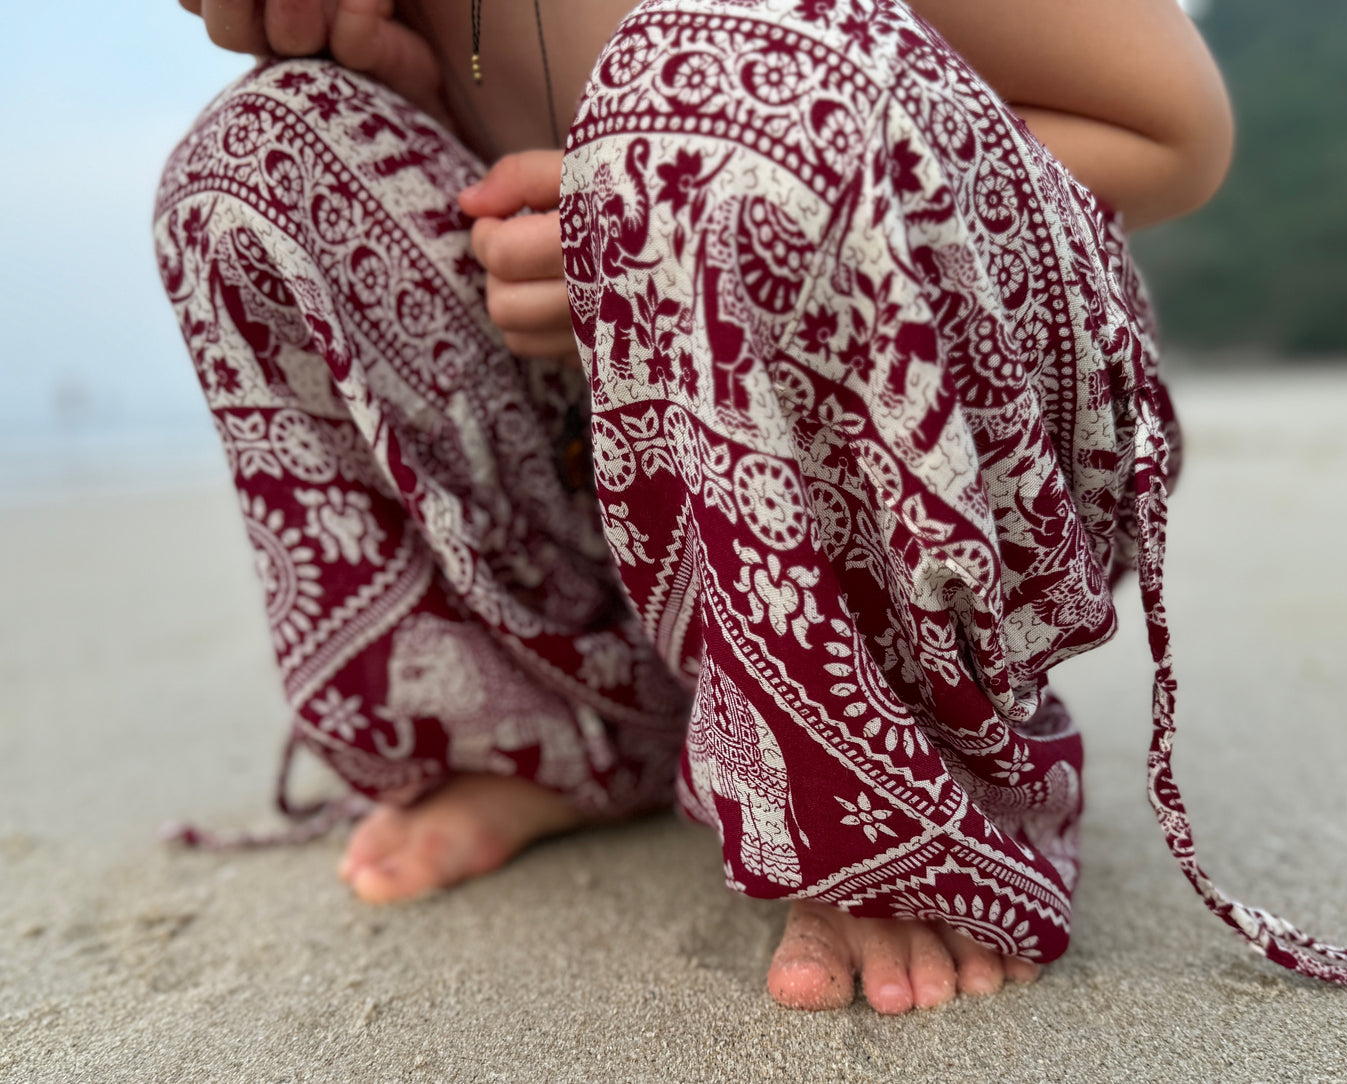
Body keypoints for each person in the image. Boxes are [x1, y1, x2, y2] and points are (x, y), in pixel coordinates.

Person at [159, 0, 1236, 1013]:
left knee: (716, 78)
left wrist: (643, 200)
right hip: (626, 461)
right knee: (260, 146)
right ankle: (573, 724)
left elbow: (1172, 135)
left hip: (950, 445)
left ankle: (899, 767)